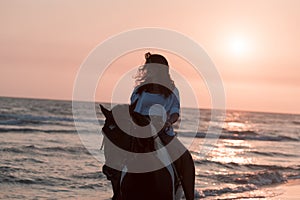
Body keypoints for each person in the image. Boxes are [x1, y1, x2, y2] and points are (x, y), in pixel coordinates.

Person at [129, 52, 195, 200]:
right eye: (148, 68)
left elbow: (175, 112)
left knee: (185, 158)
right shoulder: (139, 90)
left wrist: (168, 122)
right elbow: (132, 110)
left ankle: (190, 197)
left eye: (151, 67)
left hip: (162, 131)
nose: (148, 70)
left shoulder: (172, 90)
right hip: (140, 129)